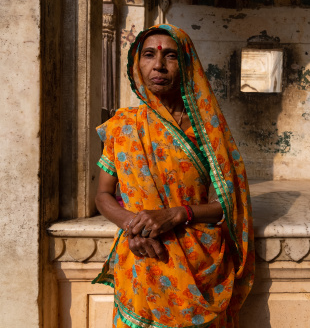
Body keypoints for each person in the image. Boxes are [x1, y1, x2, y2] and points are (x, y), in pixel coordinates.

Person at [93, 24, 255, 328]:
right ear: (136, 64)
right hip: (142, 259)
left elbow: (226, 204)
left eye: (170, 56)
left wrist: (178, 214)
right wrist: (134, 226)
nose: (158, 65)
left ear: (185, 64)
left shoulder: (208, 131)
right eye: (149, 55)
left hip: (198, 263)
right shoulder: (122, 126)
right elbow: (102, 194)